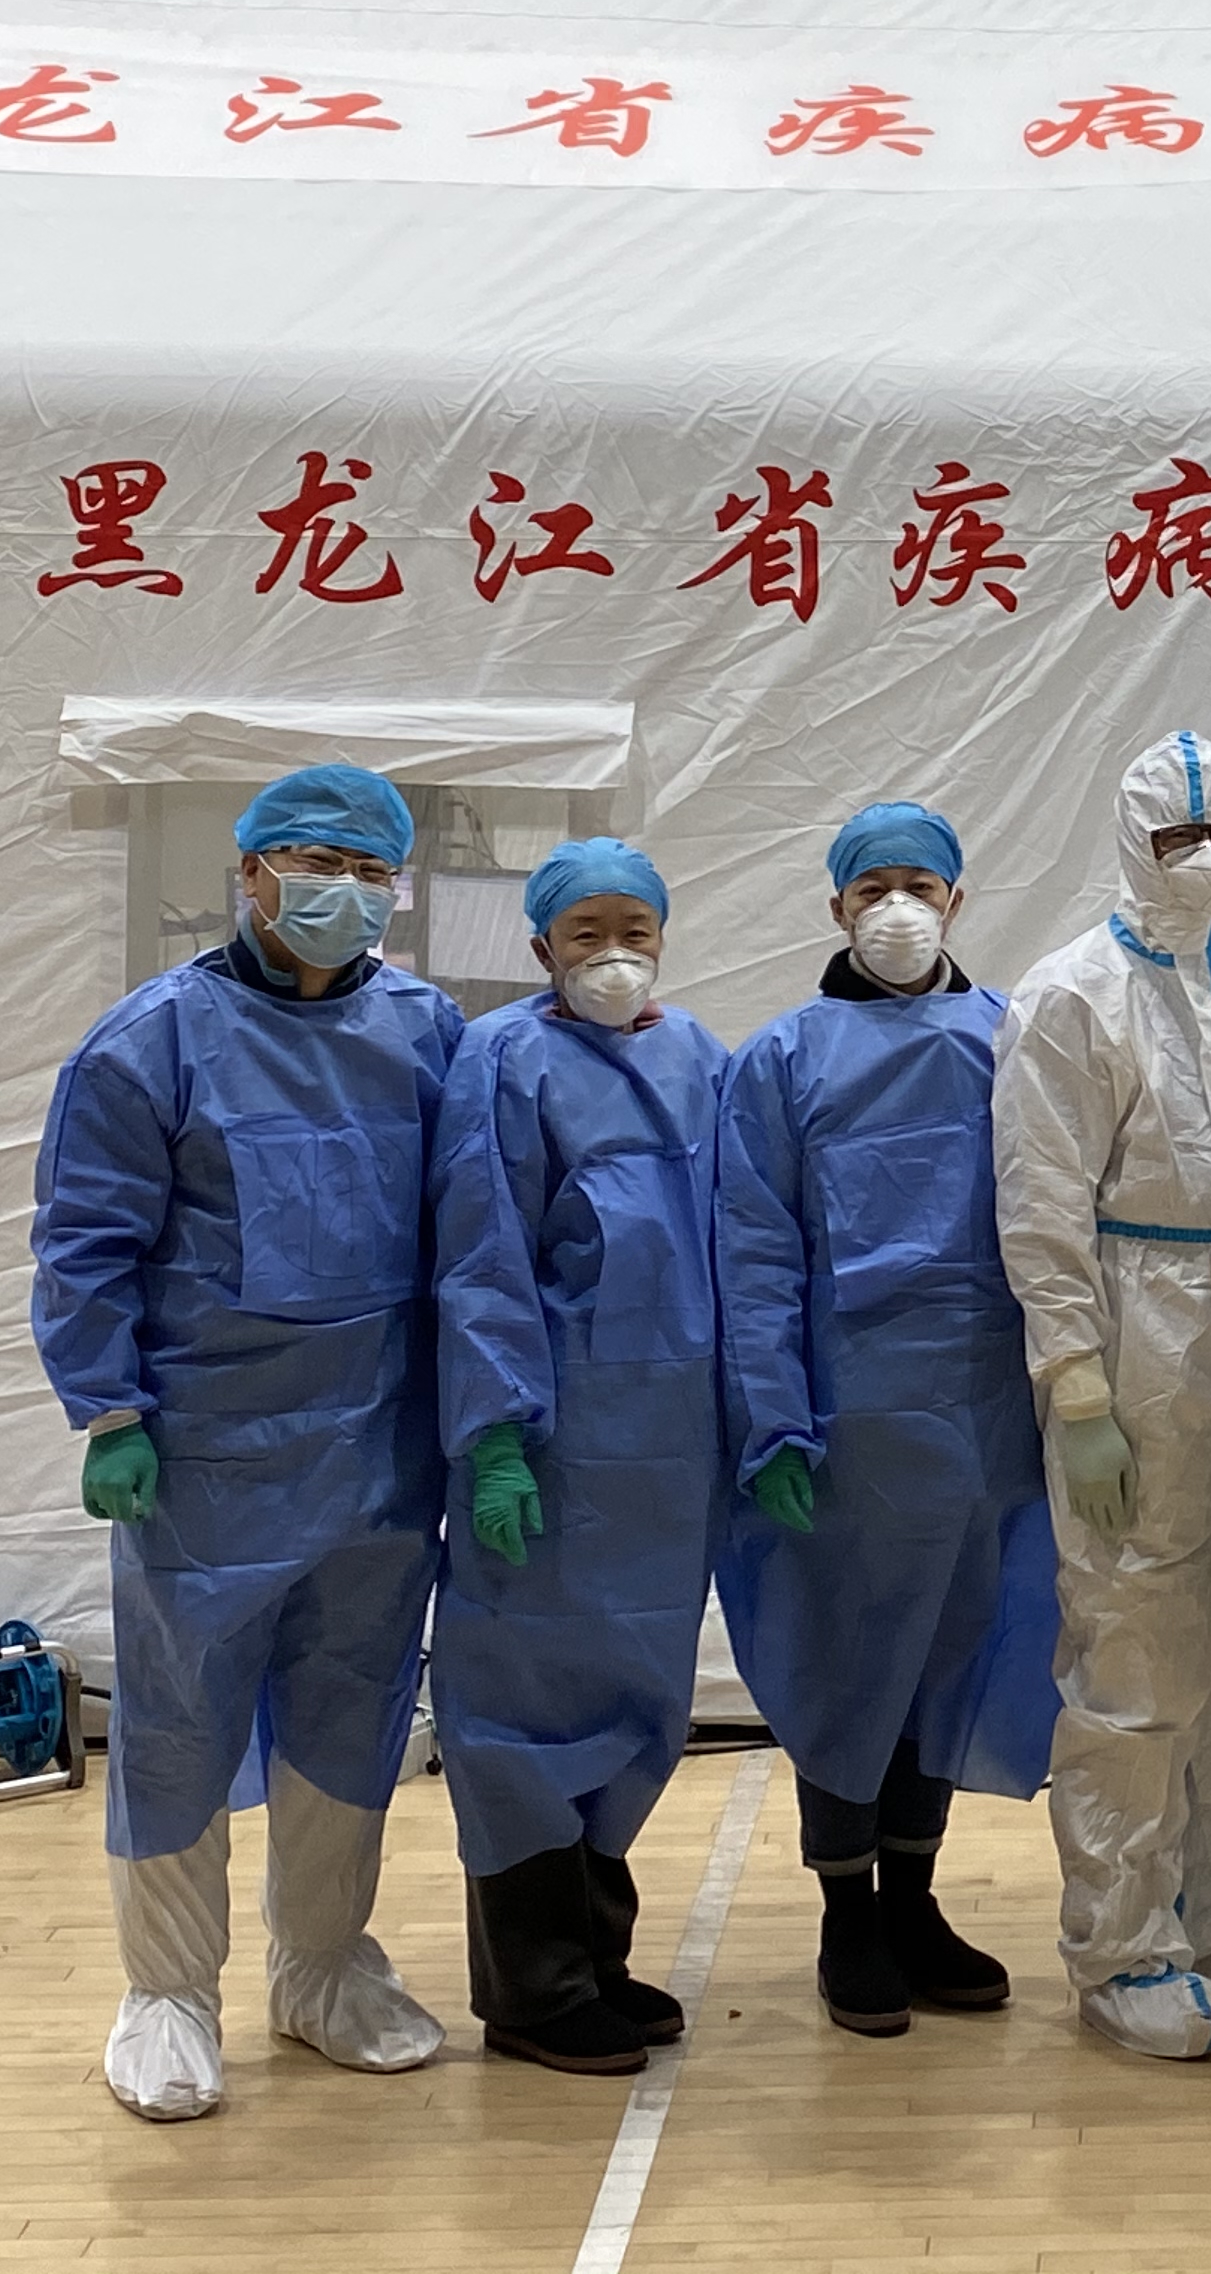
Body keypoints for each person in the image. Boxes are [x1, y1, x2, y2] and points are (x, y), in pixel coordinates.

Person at [28, 762, 460, 2123]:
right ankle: (166, 1993)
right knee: (180, 1720)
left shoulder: (429, 1034)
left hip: (380, 1446)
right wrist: (109, 1412)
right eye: (316, 862)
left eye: (370, 870)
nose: (343, 891)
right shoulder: (151, 1043)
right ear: (252, 868)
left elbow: (474, 1234)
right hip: (210, 1456)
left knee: (353, 1710)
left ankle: (322, 1967)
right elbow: (85, 1242)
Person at [715, 802, 1059, 2039]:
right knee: (851, 1661)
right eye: (874, 889)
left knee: (951, 1659)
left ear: (958, 901)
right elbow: (754, 1250)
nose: (898, 909)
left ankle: (912, 1899)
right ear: (837, 907)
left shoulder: (1012, 1037)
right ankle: (844, 1913)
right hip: (850, 1413)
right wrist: (773, 1418)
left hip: (988, 1410)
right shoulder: (783, 1059)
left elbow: (1057, 1214)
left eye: (920, 885)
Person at [992, 733, 1211, 2061]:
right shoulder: (1072, 994)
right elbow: (1041, 1197)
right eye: (1179, 840)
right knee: (1134, 1664)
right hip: (1140, 1338)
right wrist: (1076, 1385)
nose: (1204, 863)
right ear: (1132, 843)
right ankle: (1122, 1945)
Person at [425, 838, 728, 2077]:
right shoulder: (502, 1058)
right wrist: (496, 1433)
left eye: (634, 931)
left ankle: (595, 1954)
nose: (614, 954)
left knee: (634, 1699)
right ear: (541, 945)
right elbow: (481, 1252)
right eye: (586, 932)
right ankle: (532, 1990)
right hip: (554, 1436)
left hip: (670, 1445)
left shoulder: (696, 1056)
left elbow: (739, 1239)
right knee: (524, 1703)